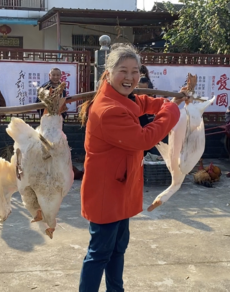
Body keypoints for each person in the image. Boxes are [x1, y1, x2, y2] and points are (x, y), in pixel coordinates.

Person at [77, 43, 183, 292]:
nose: (130, 77)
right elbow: (144, 139)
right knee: (100, 253)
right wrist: (171, 110)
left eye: (135, 71)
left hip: (120, 187)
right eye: (123, 71)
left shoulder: (120, 98)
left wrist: (164, 103)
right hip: (106, 193)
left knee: (117, 249)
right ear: (108, 73)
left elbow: (140, 102)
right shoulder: (109, 110)